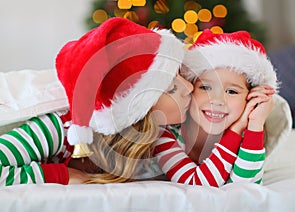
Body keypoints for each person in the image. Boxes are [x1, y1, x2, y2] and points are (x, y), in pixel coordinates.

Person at [0, 17, 193, 186]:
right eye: (172, 88)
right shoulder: (60, 127)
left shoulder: (167, 134)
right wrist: (60, 175)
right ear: (138, 110)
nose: (190, 88)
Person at [152, 29, 278, 186]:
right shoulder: (165, 133)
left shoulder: (248, 136)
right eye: (205, 88)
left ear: (250, 97)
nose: (217, 101)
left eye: (231, 91)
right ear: (190, 89)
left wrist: (255, 124)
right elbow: (198, 184)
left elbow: (245, 189)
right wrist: (236, 129)